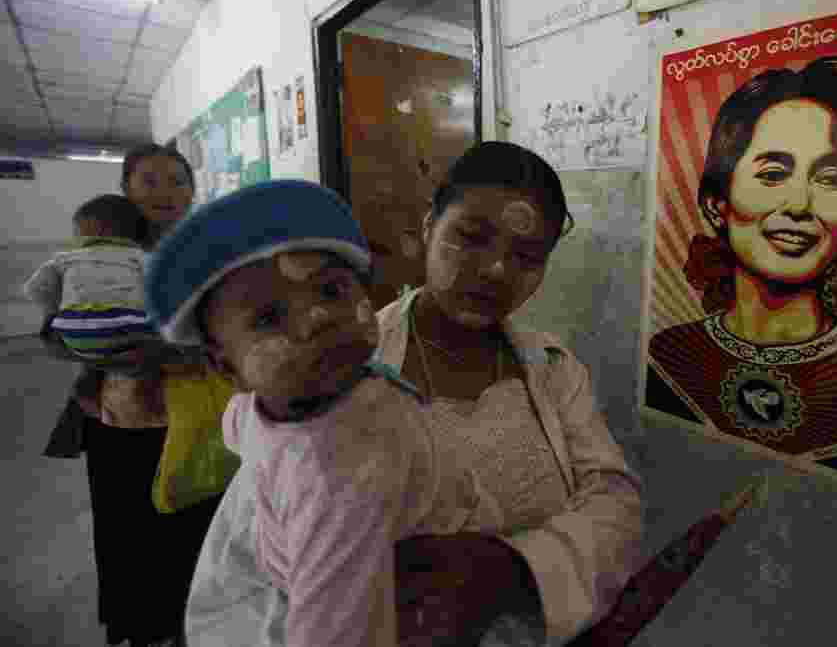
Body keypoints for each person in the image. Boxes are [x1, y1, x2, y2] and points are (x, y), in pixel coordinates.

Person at [144, 179, 503, 647]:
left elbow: (239, 427)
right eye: (269, 319)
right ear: (226, 365)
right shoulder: (339, 479)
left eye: (332, 291)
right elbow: (335, 631)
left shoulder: (261, 406)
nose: (318, 318)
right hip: (386, 583)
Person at [375, 141, 646, 646]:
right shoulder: (349, 372)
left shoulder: (554, 371)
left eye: (526, 256)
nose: (498, 270)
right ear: (429, 225)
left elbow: (617, 504)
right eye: (472, 237)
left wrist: (512, 566)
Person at [645, 56, 837, 495]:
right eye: (772, 174)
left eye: (831, 178)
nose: (800, 205)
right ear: (716, 204)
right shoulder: (668, 357)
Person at [58, 143, 221, 647]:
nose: (166, 192)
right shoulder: (101, 249)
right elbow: (60, 328)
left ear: (193, 192)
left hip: (197, 418)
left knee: (194, 530)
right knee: (130, 537)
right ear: (126, 190)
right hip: (122, 420)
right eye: (150, 181)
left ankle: (195, 625)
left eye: (177, 180)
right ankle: (146, 628)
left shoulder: (207, 251)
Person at [25, 194, 162, 378]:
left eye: (76, 232)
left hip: (74, 335)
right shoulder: (140, 256)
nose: (74, 239)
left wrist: (56, 308)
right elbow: (160, 286)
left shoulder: (65, 259)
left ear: (97, 230)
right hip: (131, 331)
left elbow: (35, 289)